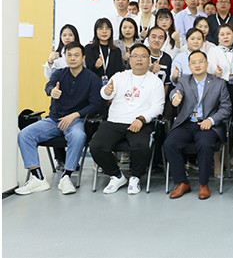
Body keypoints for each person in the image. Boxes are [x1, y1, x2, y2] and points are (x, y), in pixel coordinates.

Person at [17, 42, 102, 195]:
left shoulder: (93, 79)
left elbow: (95, 105)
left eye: (76, 55)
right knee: (24, 134)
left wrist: (75, 115)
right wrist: (52, 91)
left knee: (78, 135)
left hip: (76, 120)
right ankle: (38, 178)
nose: (72, 58)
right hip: (54, 119)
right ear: (65, 57)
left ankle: (66, 177)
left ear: (83, 58)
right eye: (69, 55)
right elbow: (48, 86)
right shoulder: (59, 74)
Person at [90, 44, 165, 194]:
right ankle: (116, 176)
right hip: (115, 121)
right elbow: (105, 94)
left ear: (149, 60)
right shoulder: (119, 76)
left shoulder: (155, 81)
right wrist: (106, 91)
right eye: (135, 56)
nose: (139, 59)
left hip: (141, 123)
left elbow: (158, 107)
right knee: (96, 146)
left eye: (143, 56)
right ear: (129, 60)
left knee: (142, 146)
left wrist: (141, 119)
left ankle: (135, 177)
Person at [165, 50, 232, 200]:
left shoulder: (219, 83)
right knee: (170, 143)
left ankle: (203, 183)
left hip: (208, 125)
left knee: (205, 144)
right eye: (193, 63)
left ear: (207, 64)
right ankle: (182, 182)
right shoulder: (184, 81)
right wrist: (175, 97)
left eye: (200, 62)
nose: (197, 65)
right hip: (187, 123)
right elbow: (176, 91)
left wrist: (211, 120)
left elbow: (226, 108)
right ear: (189, 66)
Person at [85, 18, 124, 83]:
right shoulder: (89, 49)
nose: (104, 31)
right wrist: (95, 66)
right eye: (101, 28)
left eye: (107, 28)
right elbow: (87, 71)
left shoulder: (116, 51)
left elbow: (119, 73)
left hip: (113, 85)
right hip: (94, 84)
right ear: (95, 31)